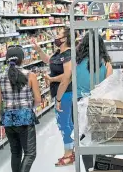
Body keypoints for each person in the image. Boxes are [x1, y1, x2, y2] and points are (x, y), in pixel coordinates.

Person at [0, 46, 41, 172]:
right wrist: (30, 109)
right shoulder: (30, 76)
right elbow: (38, 100)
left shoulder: (1, 78)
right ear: (22, 60)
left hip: (8, 119)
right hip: (25, 118)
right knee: (30, 153)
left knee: (15, 153)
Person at [69, 33, 113, 171]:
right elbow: (109, 88)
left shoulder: (75, 62)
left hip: (78, 106)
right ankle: (100, 167)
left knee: (83, 142)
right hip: (98, 107)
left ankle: (88, 168)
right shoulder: (106, 63)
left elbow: (68, 80)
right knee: (100, 140)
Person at [33, 27, 74, 167]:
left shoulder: (68, 54)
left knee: (63, 123)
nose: (56, 36)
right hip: (59, 92)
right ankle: (70, 151)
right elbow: (47, 60)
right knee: (67, 122)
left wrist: (52, 79)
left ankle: (69, 154)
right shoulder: (58, 52)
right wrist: (39, 50)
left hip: (66, 93)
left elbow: (68, 75)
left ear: (65, 39)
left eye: (59, 34)